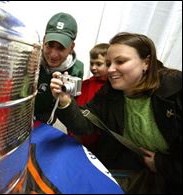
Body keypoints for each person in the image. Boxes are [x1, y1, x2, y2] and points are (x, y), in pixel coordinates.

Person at [50, 32, 182, 193]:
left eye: (120, 61)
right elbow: (84, 125)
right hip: (133, 173)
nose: (110, 70)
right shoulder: (110, 91)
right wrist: (64, 101)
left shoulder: (176, 88)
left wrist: (162, 164)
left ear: (146, 62)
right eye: (108, 62)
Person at [34, 12, 84, 125]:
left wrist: (63, 100)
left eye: (61, 48)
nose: (53, 55)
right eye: (50, 45)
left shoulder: (77, 69)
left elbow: (71, 114)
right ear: (44, 40)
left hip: (47, 120)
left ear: (71, 47)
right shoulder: (30, 59)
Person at [68, 43, 109, 146]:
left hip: (95, 138)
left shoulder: (110, 88)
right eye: (91, 63)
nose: (93, 67)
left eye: (99, 64)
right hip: (77, 131)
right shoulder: (86, 83)